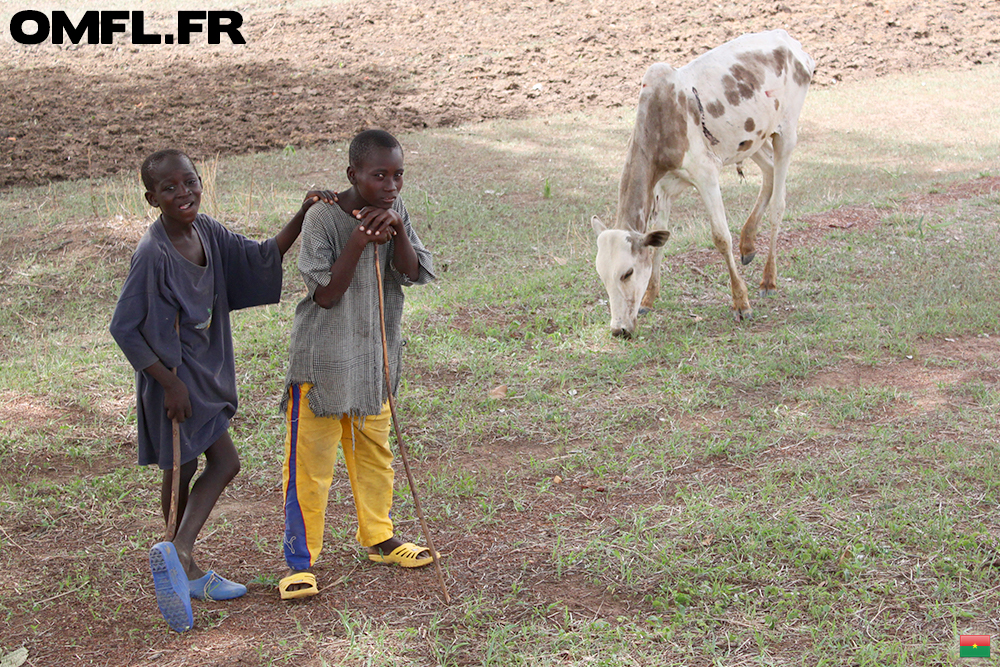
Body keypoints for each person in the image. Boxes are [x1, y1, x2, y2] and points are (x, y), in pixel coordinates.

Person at [110, 148, 335, 632]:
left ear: (199, 181)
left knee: (193, 464)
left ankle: (177, 560)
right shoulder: (152, 256)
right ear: (152, 199)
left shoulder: (205, 230)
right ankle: (181, 555)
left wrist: (302, 213)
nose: (183, 193)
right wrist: (168, 384)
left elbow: (258, 257)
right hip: (174, 383)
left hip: (202, 376)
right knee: (209, 463)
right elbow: (124, 328)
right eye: (168, 188)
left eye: (189, 182)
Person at [278, 129, 435, 601]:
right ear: (353, 175)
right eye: (379, 175)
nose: (390, 185)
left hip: (372, 362)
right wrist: (361, 241)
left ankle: (380, 538)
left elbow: (412, 272)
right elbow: (325, 294)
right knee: (310, 466)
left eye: (398, 175)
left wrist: (399, 230)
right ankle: (299, 562)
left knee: (374, 456)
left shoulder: (395, 211)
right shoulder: (324, 218)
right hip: (322, 366)